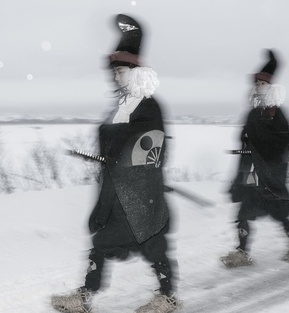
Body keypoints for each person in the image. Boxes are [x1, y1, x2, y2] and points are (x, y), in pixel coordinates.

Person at [51, 14, 181, 313]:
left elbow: (148, 146)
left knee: (153, 244)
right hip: (118, 193)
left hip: (142, 195)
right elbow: (114, 143)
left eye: (120, 71)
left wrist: (117, 154)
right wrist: (110, 156)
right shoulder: (121, 108)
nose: (115, 77)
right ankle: (84, 296)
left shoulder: (149, 106)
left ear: (136, 73)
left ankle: (168, 296)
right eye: (115, 72)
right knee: (103, 244)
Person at [222, 49, 289, 267]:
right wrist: (238, 174)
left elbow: (284, 145)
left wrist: (271, 167)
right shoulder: (251, 114)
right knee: (243, 214)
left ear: (272, 89)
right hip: (251, 174)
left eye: (262, 84)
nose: (257, 88)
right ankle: (241, 251)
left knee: (280, 215)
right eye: (256, 84)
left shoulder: (280, 116)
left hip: (272, 176)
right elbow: (244, 144)